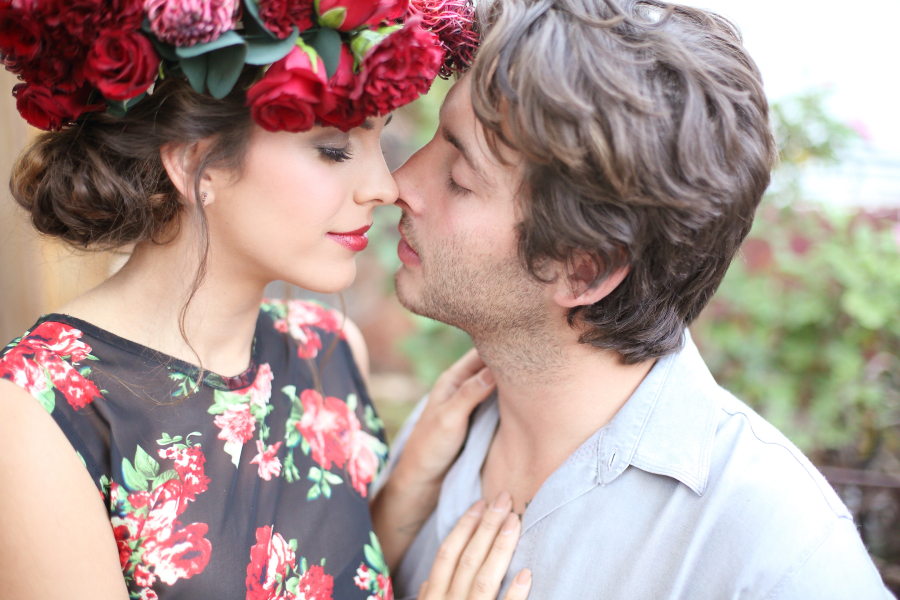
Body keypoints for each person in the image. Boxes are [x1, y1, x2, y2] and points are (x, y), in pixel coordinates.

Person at [0, 2, 531, 599]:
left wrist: (404, 491)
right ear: (194, 162)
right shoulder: (36, 414)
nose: (384, 186)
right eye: (333, 149)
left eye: (380, 140)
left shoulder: (327, 349)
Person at [376, 0, 896, 598]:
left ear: (584, 269)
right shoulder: (441, 433)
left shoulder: (780, 556)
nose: (401, 184)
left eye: (460, 178)